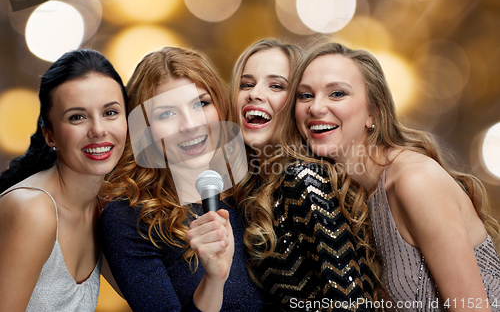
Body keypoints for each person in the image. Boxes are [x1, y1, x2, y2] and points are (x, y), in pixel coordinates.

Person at [290, 42, 500, 310]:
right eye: (305, 96)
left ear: (372, 113)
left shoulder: (415, 181)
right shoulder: (351, 195)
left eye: (337, 93)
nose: (316, 107)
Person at [100, 46, 265, 312]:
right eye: (167, 113)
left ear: (221, 107)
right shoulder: (129, 219)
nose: (190, 124)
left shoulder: (256, 189)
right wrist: (214, 279)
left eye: (201, 103)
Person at [229, 39, 374, 311]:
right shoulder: (254, 186)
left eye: (276, 86)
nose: (254, 94)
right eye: (246, 84)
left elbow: (351, 303)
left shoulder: (303, 178)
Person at [0, 49, 128, 311]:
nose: (98, 130)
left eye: (110, 112)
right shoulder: (33, 210)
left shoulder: (104, 207)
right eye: (77, 117)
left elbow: (150, 294)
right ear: (50, 136)